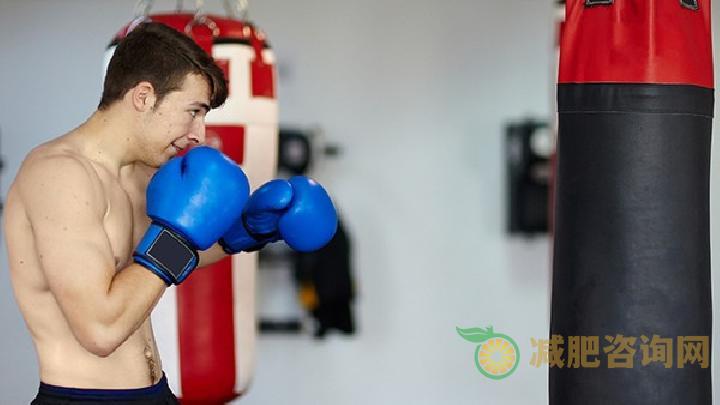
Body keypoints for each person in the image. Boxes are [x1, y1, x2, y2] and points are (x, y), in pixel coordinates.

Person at [3, 22, 337, 404]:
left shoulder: (140, 174)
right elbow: (99, 329)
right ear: (144, 96)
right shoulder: (60, 174)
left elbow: (156, 262)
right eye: (193, 111)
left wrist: (243, 233)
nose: (199, 133)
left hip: (157, 393)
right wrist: (178, 235)